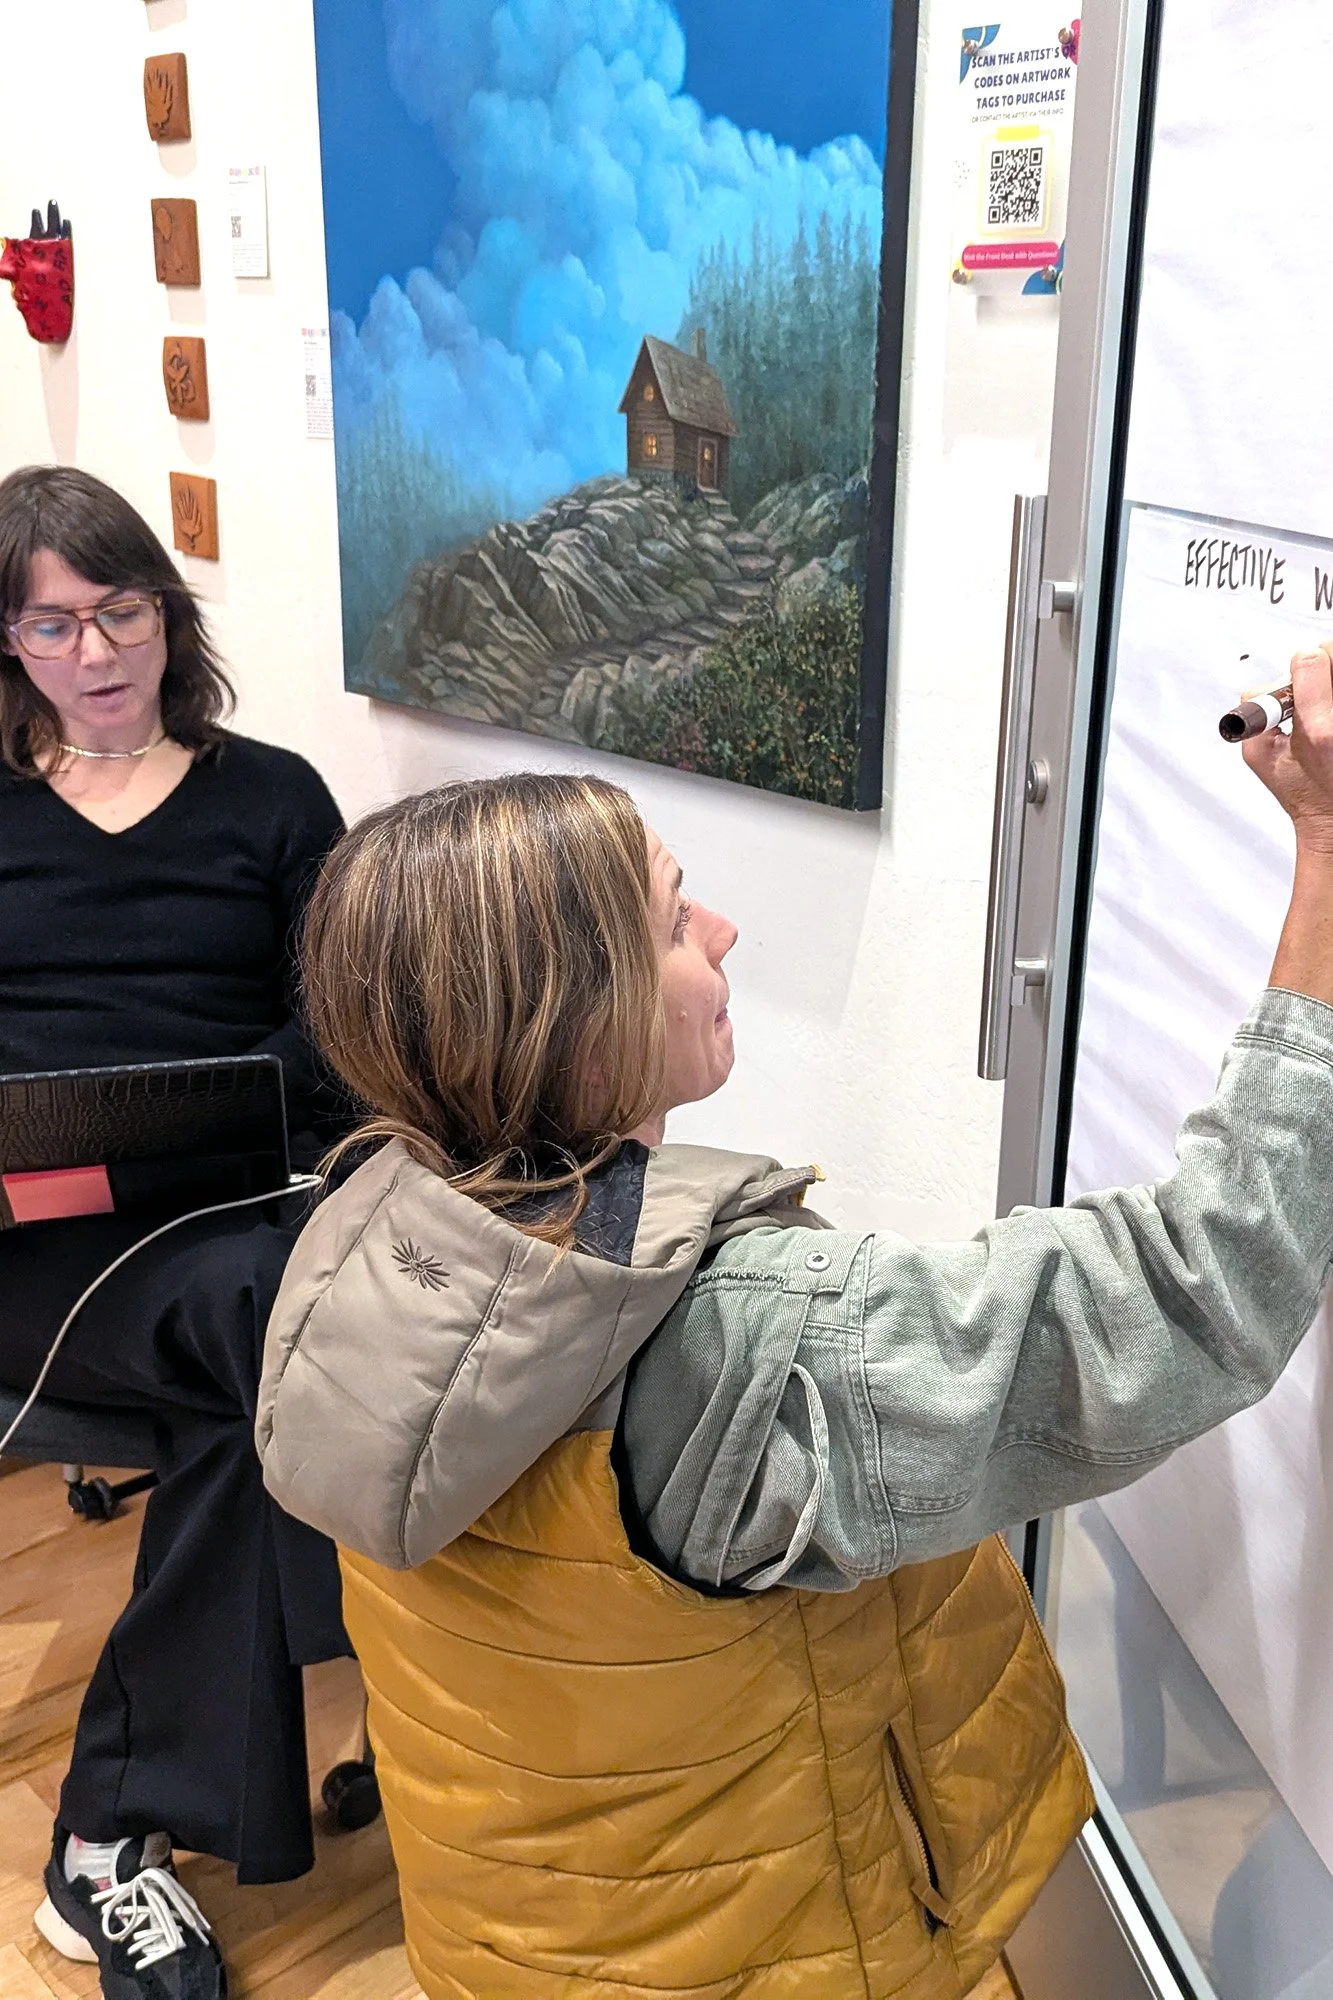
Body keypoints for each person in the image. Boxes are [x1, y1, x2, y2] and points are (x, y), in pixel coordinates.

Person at [258, 647, 1333, 2000]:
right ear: (572, 1020)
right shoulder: (740, 1349)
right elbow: (1197, 1288)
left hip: (530, 1948)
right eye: (671, 920)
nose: (723, 934)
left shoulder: (370, 1232)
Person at [0, 465, 353, 1999]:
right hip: (29, 1237)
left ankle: (109, 1838)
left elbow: (340, 1026)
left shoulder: (274, 800)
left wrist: (218, 1108)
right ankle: (122, 1829)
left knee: (255, 1352)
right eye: (51, 625)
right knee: (279, 1345)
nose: (94, 653)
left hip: (223, 1208)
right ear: (8, 643)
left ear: (169, 612)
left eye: (121, 610)